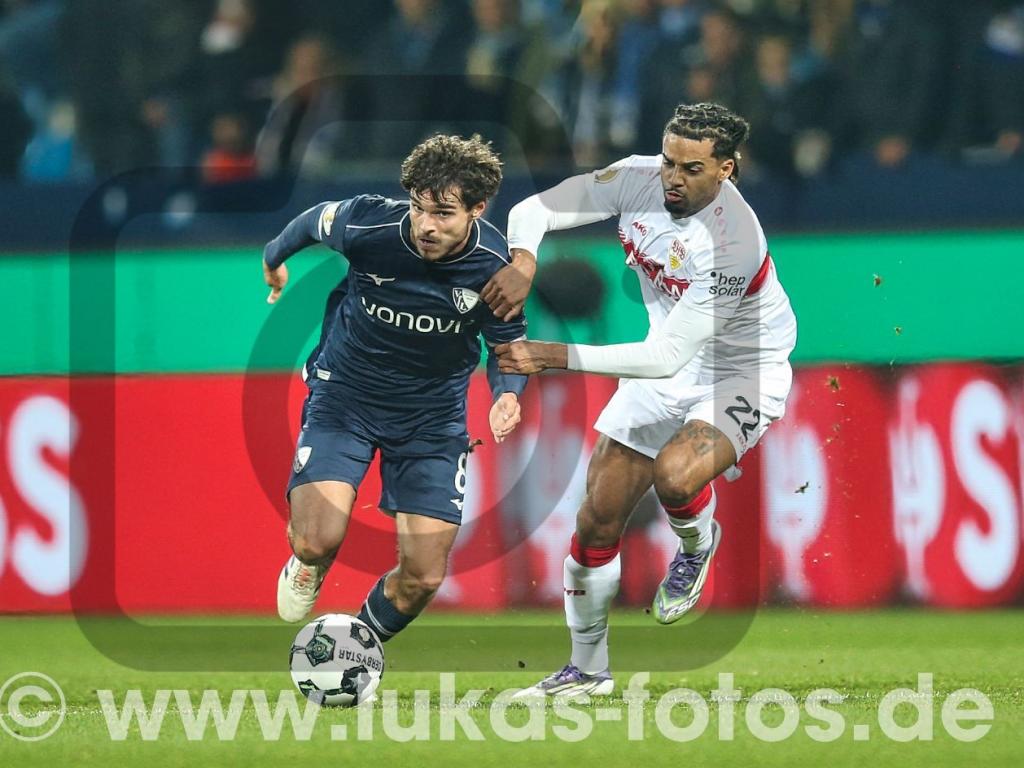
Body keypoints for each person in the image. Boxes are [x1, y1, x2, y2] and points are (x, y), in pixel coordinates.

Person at [482, 102, 797, 698]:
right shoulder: (637, 177)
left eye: (694, 168)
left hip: (742, 369)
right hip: (672, 352)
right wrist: (524, 259)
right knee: (596, 515)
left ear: (728, 168)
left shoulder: (734, 243)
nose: (674, 178)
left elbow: (666, 360)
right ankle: (587, 672)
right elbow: (533, 209)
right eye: (670, 161)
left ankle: (697, 543)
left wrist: (555, 356)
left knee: (677, 479)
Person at [263, 134, 529, 643]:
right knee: (317, 540)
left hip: (432, 420)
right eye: (418, 208)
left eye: (444, 214)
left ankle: (354, 647)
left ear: (477, 208)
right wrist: (274, 257)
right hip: (346, 397)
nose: (427, 226)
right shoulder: (369, 222)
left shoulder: (495, 268)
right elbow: (312, 220)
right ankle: (307, 563)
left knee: (424, 577)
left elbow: (508, 349)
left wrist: (507, 394)